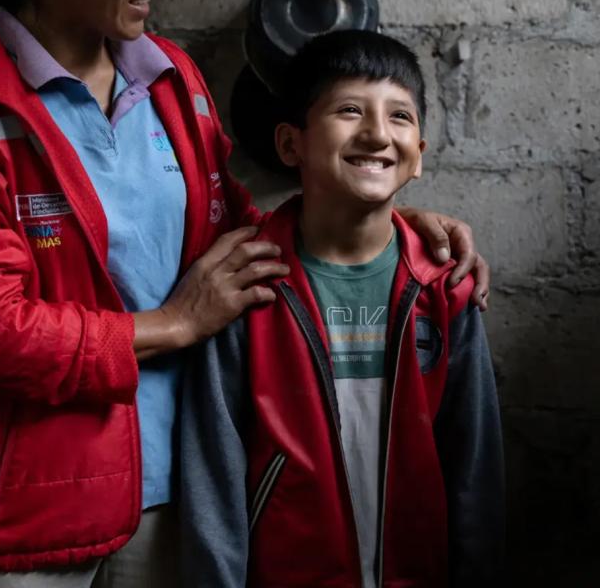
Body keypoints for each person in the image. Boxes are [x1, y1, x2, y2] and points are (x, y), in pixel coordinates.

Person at [0, 0, 489, 586]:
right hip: (26, 518)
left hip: (169, 496)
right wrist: (175, 323)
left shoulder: (170, 79)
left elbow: (234, 235)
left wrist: (386, 228)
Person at [180, 30, 504, 588]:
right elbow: (213, 471)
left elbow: (475, 466)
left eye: (400, 116)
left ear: (418, 157)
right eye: (350, 110)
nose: (378, 132)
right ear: (290, 145)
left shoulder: (444, 290)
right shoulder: (244, 287)